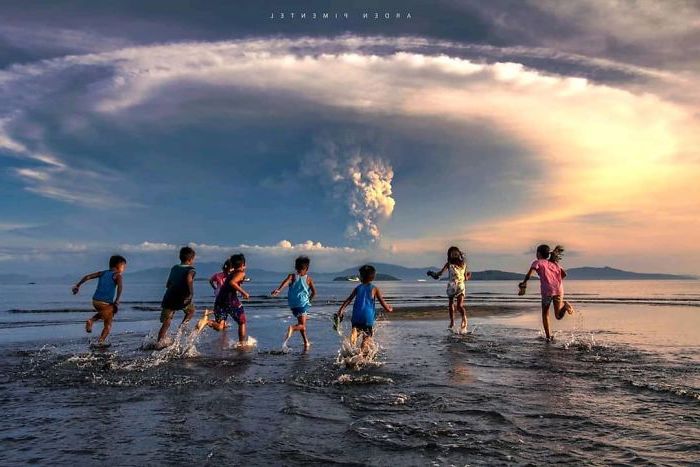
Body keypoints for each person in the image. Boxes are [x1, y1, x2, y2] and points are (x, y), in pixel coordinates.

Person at [519, 244, 574, 341]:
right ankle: (565, 306)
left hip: (547, 290)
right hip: (558, 289)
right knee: (557, 315)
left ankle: (548, 336)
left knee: (545, 314)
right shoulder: (554, 264)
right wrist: (554, 279)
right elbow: (564, 274)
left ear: (539, 253)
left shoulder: (537, 262)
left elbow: (530, 273)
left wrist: (524, 282)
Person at [336, 265, 393, 353]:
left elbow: (349, 299)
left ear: (361, 277)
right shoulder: (374, 289)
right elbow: (383, 303)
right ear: (373, 277)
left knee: (356, 330)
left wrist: (341, 309)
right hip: (367, 317)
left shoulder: (358, 288)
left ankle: (352, 342)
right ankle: (361, 355)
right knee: (367, 337)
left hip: (356, 316)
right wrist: (389, 308)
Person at [72, 255, 127, 345]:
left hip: (95, 301)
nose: (124, 269)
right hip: (104, 303)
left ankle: (101, 341)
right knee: (113, 308)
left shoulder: (103, 273)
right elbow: (120, 287)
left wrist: (78, 285)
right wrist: (117, 300)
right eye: (123, 266)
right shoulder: (117, 275)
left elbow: (87, 277)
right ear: (118, 265)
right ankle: (91, 320)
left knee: (108, 324)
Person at [271, 256, 317, 350]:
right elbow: (314, 292)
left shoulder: (291, 276)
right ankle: (292, 328)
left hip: (292, 304)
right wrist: (309, 300)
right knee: (302, 325)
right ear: (307, 269)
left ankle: (306, 342)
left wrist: (278, 290)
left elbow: (285, 283)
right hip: (302, 304)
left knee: (301, 324)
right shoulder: (308, 279)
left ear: (296, 267)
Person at [205, 253, 250, 345]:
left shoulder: (231, 273)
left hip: (220, 301)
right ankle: (242, 344)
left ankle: (207, 322)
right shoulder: (241, 273)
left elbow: (232, 281)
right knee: (242, 321)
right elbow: (232, 283)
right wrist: (244, 292)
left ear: (232, 265)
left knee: (220, 327)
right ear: (243, 265)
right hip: (231, 301)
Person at [157, 246, 197, 344]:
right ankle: (181, 329)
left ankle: (159, 342)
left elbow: (168, 284)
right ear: (191, 259)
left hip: (169, 297)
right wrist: (191, 294)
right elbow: (189, 280)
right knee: (191, 311)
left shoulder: (174, 268)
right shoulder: (191, 270)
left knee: (166, 322)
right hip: (182, 298)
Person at [427, 246, 472, 332]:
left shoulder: (456, 264)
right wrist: (469, 275)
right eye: (453, 253)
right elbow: (465, 278)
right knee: (455, 305)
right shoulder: (456, 264)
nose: (453, 254)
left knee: (455, 304)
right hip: (457, 286)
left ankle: (458, 321)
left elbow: (438, 275)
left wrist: (431, 273)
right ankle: (458, 320)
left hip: (456, 286)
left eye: (454, 253)